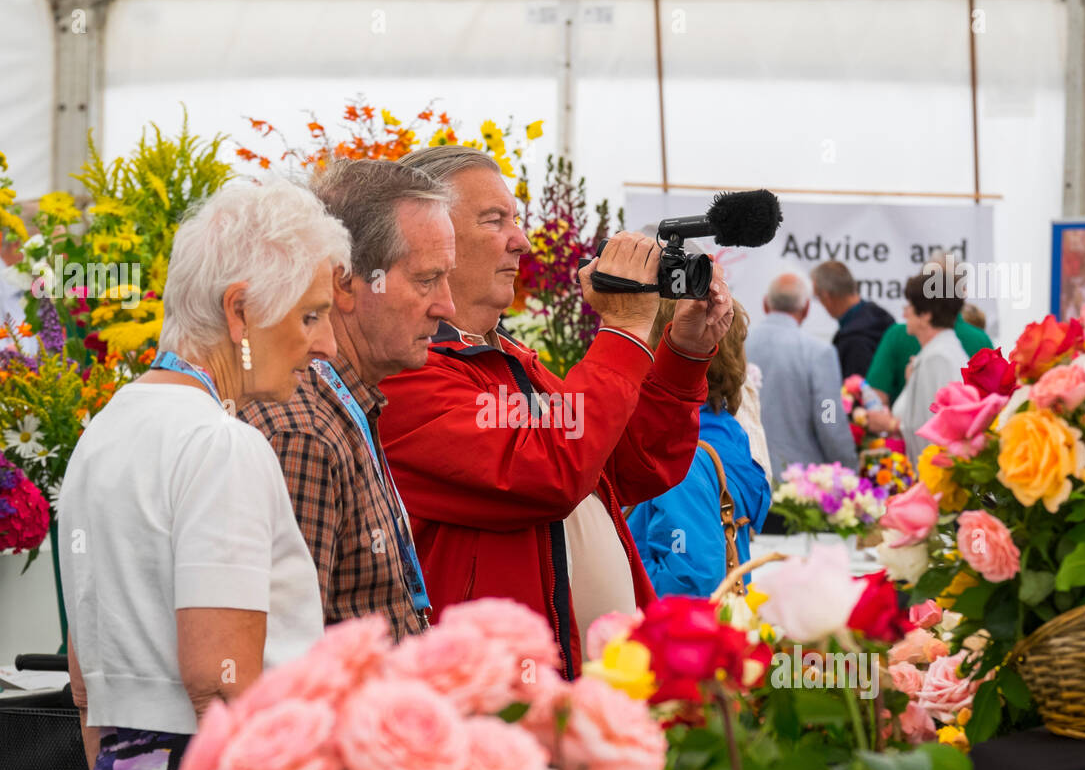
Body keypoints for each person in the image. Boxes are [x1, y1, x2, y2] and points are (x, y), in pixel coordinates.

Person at [380, 146, 735, 678]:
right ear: (431, 239)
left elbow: (630, 469)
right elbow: (548, 473)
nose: (520, 241)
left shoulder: (510, 361)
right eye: (494, 220)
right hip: (500, 703)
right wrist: (622, 330)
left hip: (584, 688)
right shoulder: (405, 375)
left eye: (516, 220)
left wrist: (682, 357)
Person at [60, 182, 350, 770]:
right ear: (239, 311)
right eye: (310, 315)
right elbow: (220, 684)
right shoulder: (222, 444)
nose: (325, 345)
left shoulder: (106, 430)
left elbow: (86, 684)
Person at [241, 160, 454, 640]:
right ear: (343, 283)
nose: (447, 306)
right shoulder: (303, 431)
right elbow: (289, 656)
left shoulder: (343, 410)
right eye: (426, 280)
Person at [630, 299, 771, 597]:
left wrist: (611, 571)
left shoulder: (682, 456)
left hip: (662, 635)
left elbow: (691, 583)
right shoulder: (729, 436)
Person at [743, 272, 858, 476]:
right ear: (806, 309)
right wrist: (849, 468)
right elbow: (828, 418)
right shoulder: (819, 353)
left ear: (765, 304)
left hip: (742, 476)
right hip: (797, 485)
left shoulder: (737, 345)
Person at [865, 255, 992, 406]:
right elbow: (994, 400)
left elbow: (876, 397)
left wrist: (889, 423)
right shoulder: (981, 340)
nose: (905, 312)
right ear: (963, 292)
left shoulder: (897, 335)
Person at [890, 273, 968, 466]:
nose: (904, 314)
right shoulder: (938, 353)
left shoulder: (938, 358)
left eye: (909, 306)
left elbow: (935, 430)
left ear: (926, 315)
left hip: (932, 477)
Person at [812, 260, 894, 379]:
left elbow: (854, 393)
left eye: (818, 297)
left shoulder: (854, 339)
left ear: (826, 296)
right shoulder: (881, 317)